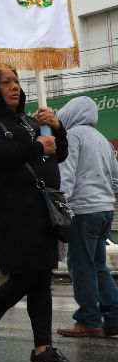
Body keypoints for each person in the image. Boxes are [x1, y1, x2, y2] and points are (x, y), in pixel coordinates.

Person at [0, 67, 83, 362]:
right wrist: (35, 146)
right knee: (25, 276)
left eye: (17, 81)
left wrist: (57, 129)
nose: (15, 87)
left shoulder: (30, 121)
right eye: (6, 82)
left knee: (40, 276)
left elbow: (58, 155)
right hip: (10, 213)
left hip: (41, 211)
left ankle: (42, 349)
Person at [55, 96, 118, 338]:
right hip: (105, 210)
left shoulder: (72, 136)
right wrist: (102, 193)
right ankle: (113, 317)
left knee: (81, 266)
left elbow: (66, 176)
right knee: (98, 265)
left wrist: (60, 207)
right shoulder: (103, 140)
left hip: (83, 211)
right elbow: (116, 179)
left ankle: (89, 319)